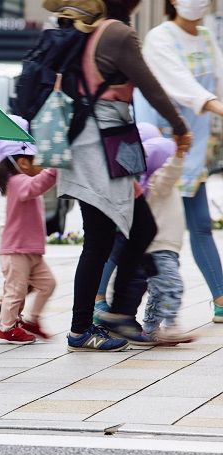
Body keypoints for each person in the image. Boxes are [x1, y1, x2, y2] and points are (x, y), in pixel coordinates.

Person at [56, 0, 192, 352]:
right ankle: (115, 313)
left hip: (87, 143)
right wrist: (179, 127)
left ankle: (82, 328)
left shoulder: (90, 29)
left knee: (98, 241)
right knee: (141, 227)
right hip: (103, 144)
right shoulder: (116, 32)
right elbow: (150, 86)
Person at [135, 0, 223, 323]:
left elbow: (219, 80)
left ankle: (221, 299)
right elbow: (180, 84)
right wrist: (216, 107)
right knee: (135, 228)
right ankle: (101, 299)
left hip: (191, 148)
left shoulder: (205, 37)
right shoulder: (160, 37)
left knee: (200, 224)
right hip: (159, 149)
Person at [0, 118, 57, 345]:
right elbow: (37, 184)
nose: (36, 164)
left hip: (30, 250)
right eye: (32, 160)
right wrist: (55, 166)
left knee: (48, 284)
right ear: (21, 162)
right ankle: (7, 327)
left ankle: (31, 320)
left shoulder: (21, 179)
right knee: (15, 290)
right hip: (16, 250)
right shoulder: (18, 181)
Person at [94, 122, 164, 314]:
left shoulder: (136, 169)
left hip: (123, 222)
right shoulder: (136, 169)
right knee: (112, 257)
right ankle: (101, 302)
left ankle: (104, 304)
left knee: (113, 258)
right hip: (122, 223)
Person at [138, 136, 198, 344]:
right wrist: (178, 155)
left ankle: (150, 329)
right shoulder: (158, 182)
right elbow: (170, 173)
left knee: (157, 291)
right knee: (173, 286)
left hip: (164, 248)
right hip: (160, 249)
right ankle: (171, 326)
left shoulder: (153, 185)